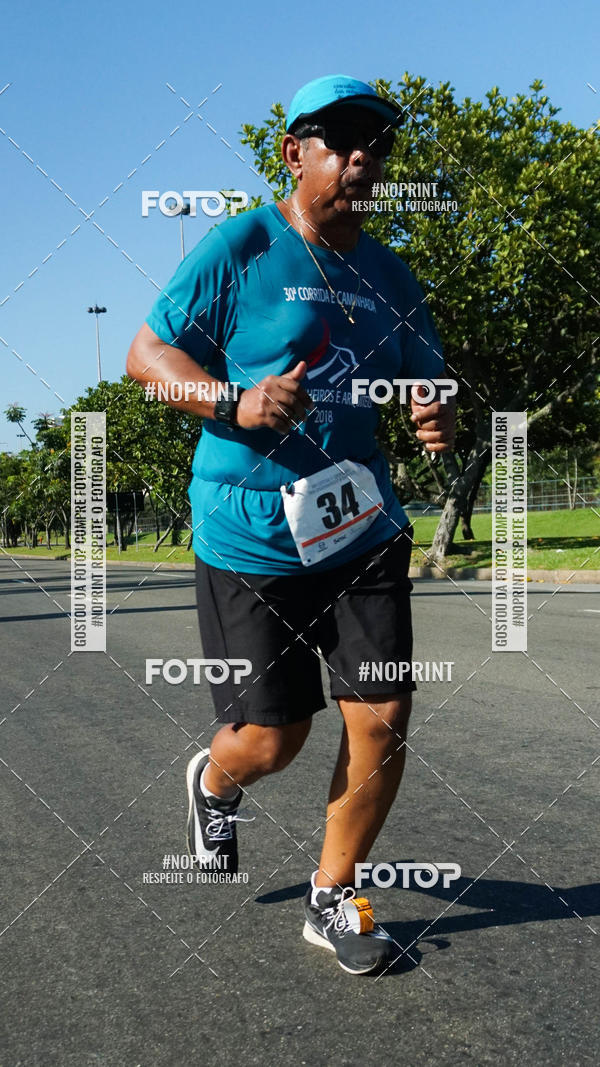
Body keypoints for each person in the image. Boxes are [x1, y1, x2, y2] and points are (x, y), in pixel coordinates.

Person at [127, 74, 455, 975]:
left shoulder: (391, 275)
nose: (362, 158)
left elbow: (427, 372)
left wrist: (431, 404)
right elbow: (147, 356)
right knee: (275, 738)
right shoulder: (240, 246)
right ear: (293, 153)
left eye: (377, 145)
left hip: (359, 525)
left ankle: (333, 893)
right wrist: (231, 401)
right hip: (250, 535)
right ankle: (215, 781)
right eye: (340, 140)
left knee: (382, 713)